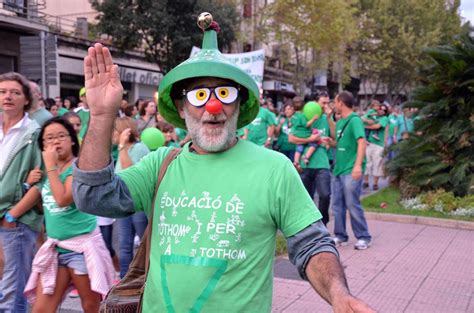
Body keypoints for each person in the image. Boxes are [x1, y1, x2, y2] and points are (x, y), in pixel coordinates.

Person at [72, 16, 373, 313]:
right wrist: (100, 117)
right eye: (199, 95)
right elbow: (92, 196)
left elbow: (312, 244)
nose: (212, 108)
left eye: (224, 94)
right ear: (181, 106)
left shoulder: (274, 169)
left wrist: (338, 295)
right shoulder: (160, 165)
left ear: (239, 104)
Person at [22, 117, 114, 312]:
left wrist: (50, 168)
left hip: (81, 248)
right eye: (49, 138)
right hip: (56, 249)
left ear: (72, 139)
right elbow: (43, 206)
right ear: (43, 146)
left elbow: (63, 199)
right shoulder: (49, 171)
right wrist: (28, 184)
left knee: (91, 306)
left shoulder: (79, 167)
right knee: (41, 309)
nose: (55, 141)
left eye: (61, 136)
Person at [0, 72, 43, 312]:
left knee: (13, 294)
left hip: (14, 223)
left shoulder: (34, 133)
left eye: (15, 92)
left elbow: (41, 183)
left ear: (26, 99)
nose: (8, 97)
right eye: (3, 91)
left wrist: (11, 216)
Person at [327, 91, 372, 250]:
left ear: (340, 102)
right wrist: (329, 142)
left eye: (335, 102)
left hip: (351, 170)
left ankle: (363, 237)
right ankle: (340, 235)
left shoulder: (355, 121)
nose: (333, 105)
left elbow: (361, 142)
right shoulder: (341, 122)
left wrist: (358, 166)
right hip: (339, 170)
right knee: (337, 205)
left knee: (352, 204)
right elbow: (340, 144)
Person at [112, 117, 150, 278]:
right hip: (123, 205)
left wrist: (122, 147)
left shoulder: (139, 148)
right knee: (124, 246)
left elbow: (131, 173)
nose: (111, 135)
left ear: (123, 132)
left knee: (144, 244)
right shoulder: (120, 151)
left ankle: (147, 278)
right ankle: (124, 281)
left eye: (114, 131)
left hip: (139, 205)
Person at [288, 96, 332, 226]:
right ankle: (308, 226)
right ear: (315, 104)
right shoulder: (303, 117)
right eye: (323, 103)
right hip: (305, 165)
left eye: (327, 103)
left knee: (325, 195)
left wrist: (329, 139)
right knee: (305, 198)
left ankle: (323, 223)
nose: (325, 106)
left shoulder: (327, 119)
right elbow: (291, 139)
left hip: (322, 162)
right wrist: (312, 139)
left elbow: (334, 139)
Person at [363, 104, 389, 190]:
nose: (381, 110)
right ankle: (366, 182)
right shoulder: (373, 116)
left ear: (386, 112)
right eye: (380, 109)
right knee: (367, 162)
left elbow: (377, 126)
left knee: (377, 163)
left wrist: (365, 126)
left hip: (379, 144)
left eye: (384, 110)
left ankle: (375, 183)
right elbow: (364, 118)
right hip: (369, 142)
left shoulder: (385, 119)